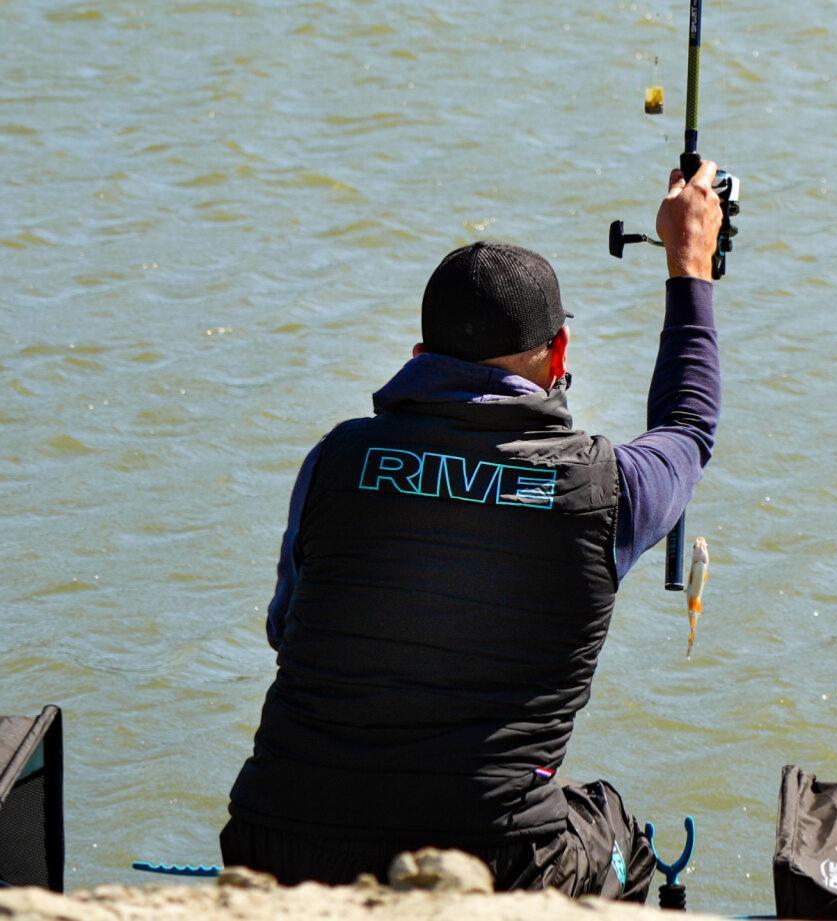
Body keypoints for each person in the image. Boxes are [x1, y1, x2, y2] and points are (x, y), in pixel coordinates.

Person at [221, 162, 724, 901]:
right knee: (617, 830)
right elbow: (687, 425)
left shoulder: (337, 459)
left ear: (419, 358)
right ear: (558, 353)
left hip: (276, 839)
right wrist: (690, 266)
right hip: (502, 856)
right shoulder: (604, 489)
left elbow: (284, 630)